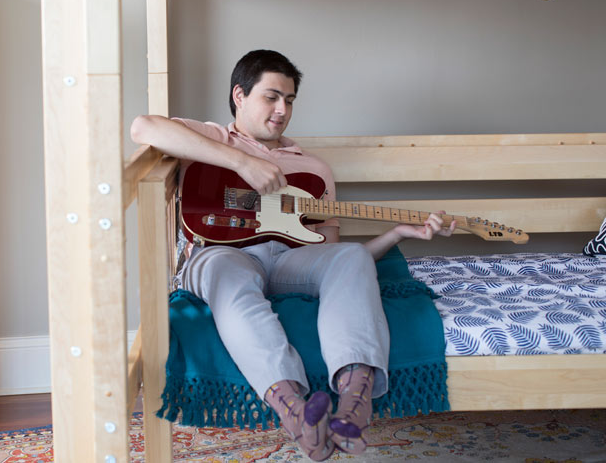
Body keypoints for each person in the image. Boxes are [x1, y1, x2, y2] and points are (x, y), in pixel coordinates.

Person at [130, 49, 455, 460]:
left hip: (289, 262)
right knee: (228, 275)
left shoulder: (313, 170)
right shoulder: (213, 139)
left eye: (289, 100)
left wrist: (394, 234)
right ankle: (294, 409)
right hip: (220, 254)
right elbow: (143, 127)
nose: (282, 110)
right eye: (271, 96)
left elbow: (334, 257)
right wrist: (242, 162)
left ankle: (355, 401)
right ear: (239, 96)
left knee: (352, 257)